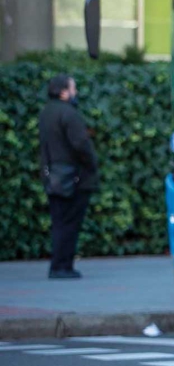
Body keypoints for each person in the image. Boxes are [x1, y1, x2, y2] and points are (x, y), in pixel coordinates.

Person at [39, 74, 99, 279]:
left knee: (59, 222)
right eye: (73, 88)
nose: (76, 92)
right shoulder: (69, 114)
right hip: (73, 178)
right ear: (64, 92)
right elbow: (81, 145)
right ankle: (63, 266)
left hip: (53, 176)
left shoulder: (46, 113)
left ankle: (57, 264)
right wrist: (91, 165)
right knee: (70, 224)